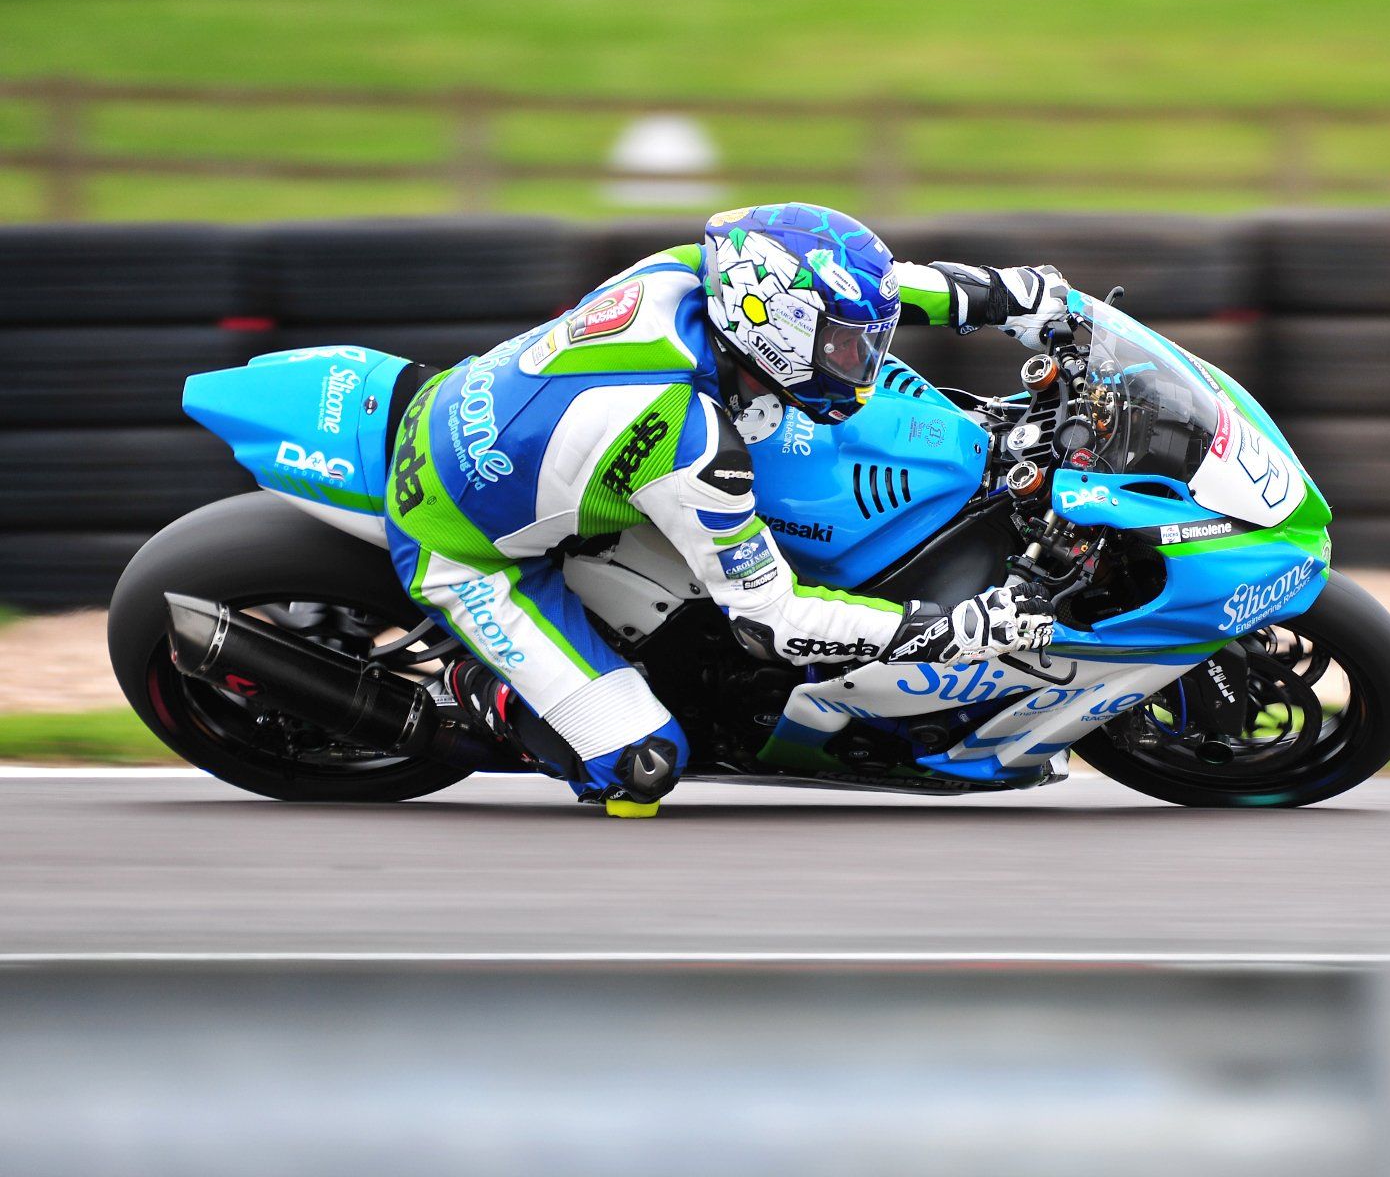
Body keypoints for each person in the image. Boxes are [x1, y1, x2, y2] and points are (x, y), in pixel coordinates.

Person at [385, 202, 1065, 817]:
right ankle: (488, 689)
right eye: (844, 346)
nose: (860, 361)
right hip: (465, 547)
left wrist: (1002, 297)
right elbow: (774, 623)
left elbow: (863, 285)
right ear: (774, 332)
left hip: (476, 409)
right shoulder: (690, 444)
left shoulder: (687, 273)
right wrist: (949, 628)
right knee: (642, 768)